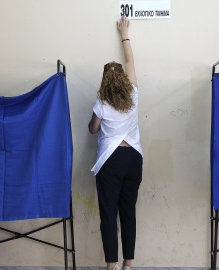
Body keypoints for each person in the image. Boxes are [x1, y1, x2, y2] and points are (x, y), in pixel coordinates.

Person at [88, 16, 143, 270]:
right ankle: (128, 264)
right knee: (128, 212)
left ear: (104, 81)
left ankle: (111, 266)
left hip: (110, 161)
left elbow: (93, 130)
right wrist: (124, 33)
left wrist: (96, 120)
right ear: (122, 78)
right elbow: (130, 61)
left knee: (109, 214)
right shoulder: (132, 92)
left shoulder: (102, 103)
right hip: (134, 158)